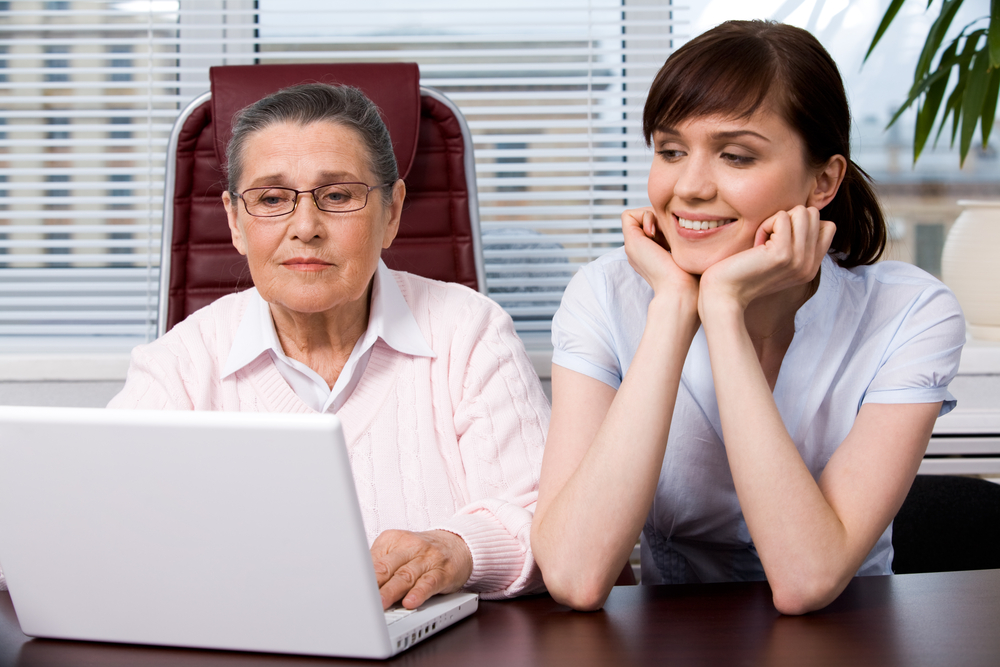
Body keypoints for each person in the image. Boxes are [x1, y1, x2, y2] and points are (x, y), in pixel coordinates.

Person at [530, 20, 966, 615]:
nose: (688, 187)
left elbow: (808, 579)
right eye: (670, 151)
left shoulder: (910, 313)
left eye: (735, 156)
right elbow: (575, 576)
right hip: (671, 646)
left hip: (851, 641)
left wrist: (724, 309)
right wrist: (674, 308)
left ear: (823, 181)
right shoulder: (606, 294)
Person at [89, 83, 549, 608]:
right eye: (270, 199)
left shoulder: (470, 333)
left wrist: (458, 548)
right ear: (235, 222)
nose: (304, 227)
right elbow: (81, 530)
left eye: (337, 196)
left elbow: (549, 524)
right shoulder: (180, 364)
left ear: (392, 213)